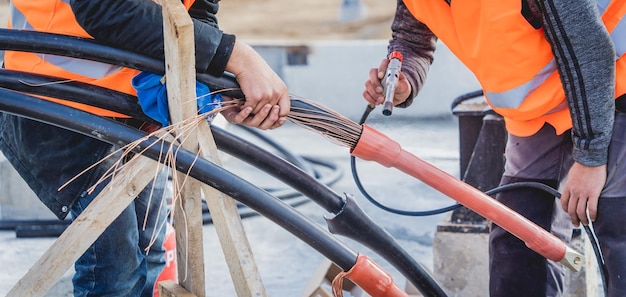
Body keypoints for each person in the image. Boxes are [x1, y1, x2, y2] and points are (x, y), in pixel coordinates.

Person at [0, 0, 291, 296]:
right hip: (55, 103)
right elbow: (104, 10)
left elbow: (195, 12)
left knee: (149, 251)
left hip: (132, 108)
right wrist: (235, 56)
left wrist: (210, 83)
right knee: (116, 271)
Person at [363, 0, 625, 296]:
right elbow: (412, 39)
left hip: (617, 78)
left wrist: (590, 158)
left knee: (619, 229)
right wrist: (404, 78)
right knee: (520, 240)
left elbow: (589, 49)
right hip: (542, 111)